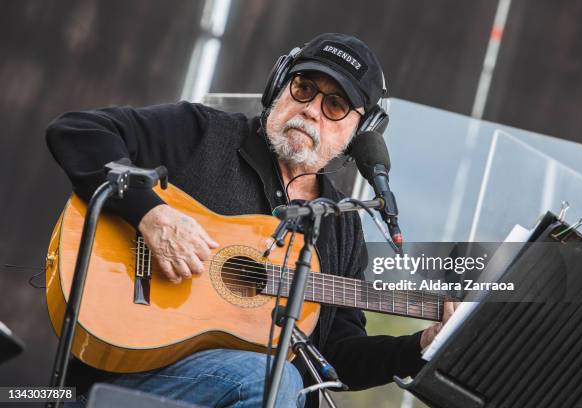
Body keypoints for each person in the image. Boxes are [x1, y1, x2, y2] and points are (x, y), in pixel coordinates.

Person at [47, 32, 458, 408]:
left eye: (334, 105)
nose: (312, 110)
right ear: (280, 85)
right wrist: (152, 214)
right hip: (118, 381)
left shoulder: (340, 224)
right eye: (304, 88)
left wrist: (419, 344)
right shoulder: (203, 134)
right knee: (273, 381)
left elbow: (336, 357)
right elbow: (78, 130)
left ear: (360, 130)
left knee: (286, 380)